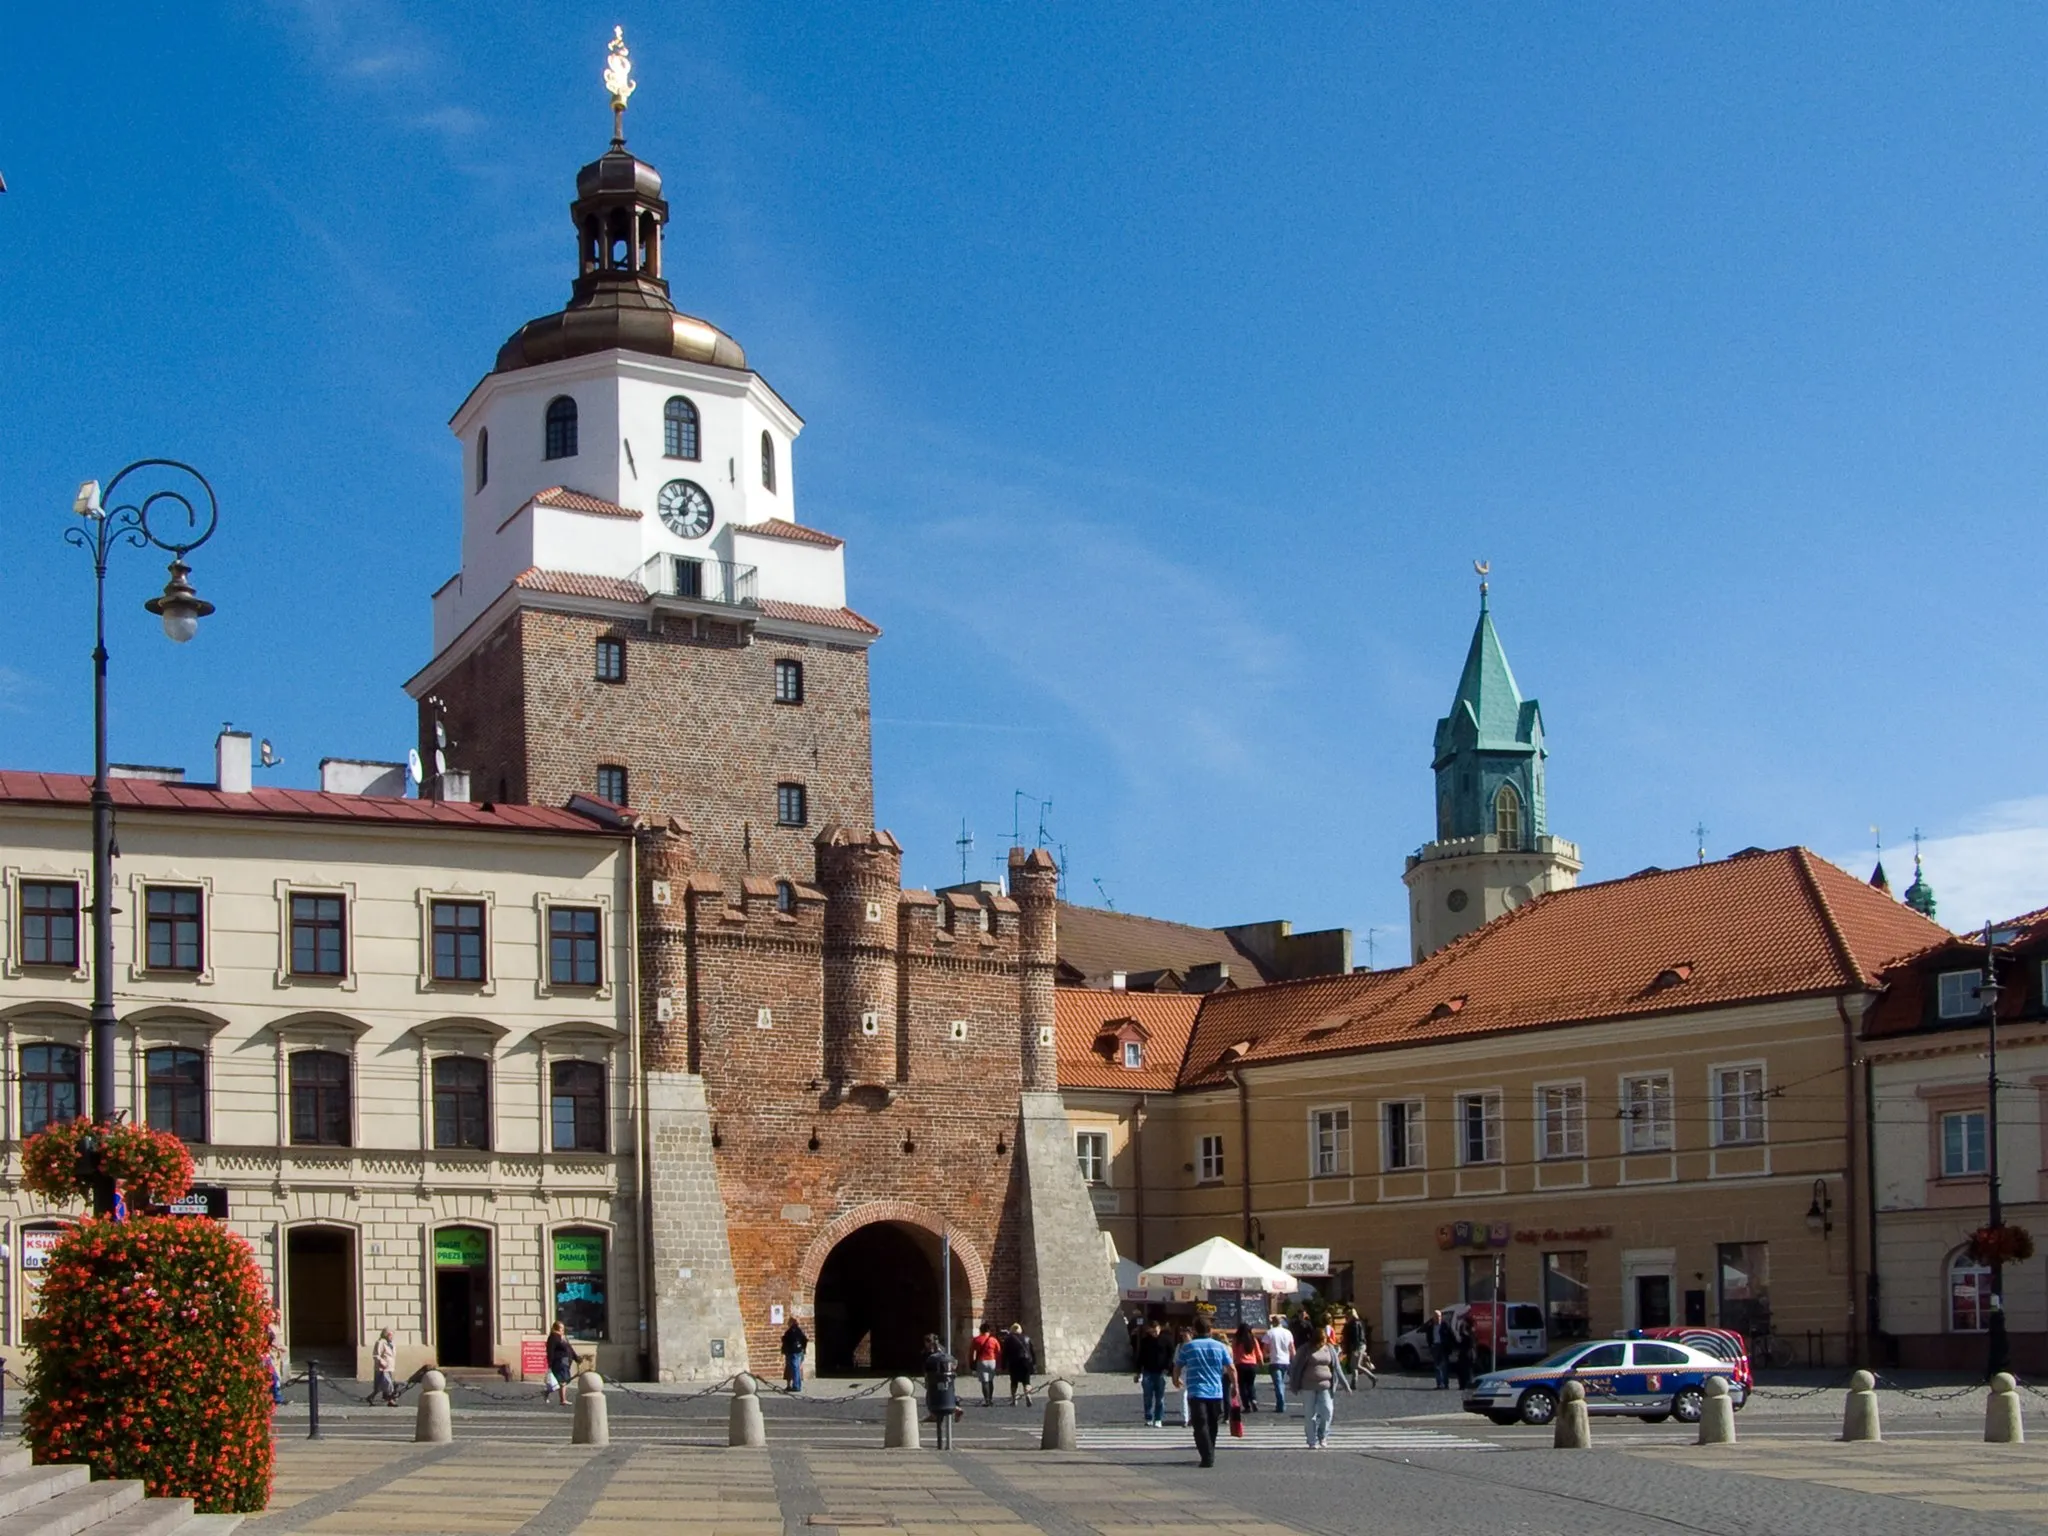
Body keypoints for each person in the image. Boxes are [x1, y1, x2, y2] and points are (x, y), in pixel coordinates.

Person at [1173, 1316, 1234, 1468]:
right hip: (1216, 1391)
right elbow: (1231, 1368)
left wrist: (1176, 1379)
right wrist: (1235, 1386)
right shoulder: (1220, 1347)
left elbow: (1178, 1365)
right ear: (1210, 1330)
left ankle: (1207, 1455)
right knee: (1213, 1424)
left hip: (1196, 1391)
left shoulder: (1188, 1347)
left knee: (1200, 1424)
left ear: (1194, 1330)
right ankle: (1209, 1451)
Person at [1292, 1327, 1343, 1449]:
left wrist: (1345, 1384)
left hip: (1325, 1385)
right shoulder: (1305, 1349)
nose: (1324, 1342)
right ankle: (1311, 1440)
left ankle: (1323, 1434)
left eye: (1325, 1339)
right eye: (1322, 1339)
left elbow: (1337, 1367)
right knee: (1310, 1414)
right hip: (1308, 1386)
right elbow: (1295, 1366)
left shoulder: (1329, 1349)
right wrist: (1293, 1382)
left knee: (1327, 1411)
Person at [1134, 1317, 1174, 1427]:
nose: (1154, 1333)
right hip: (1147, 1371)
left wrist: (1168, 1368)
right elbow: (1140, 1356)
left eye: (1156, 1330)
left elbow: (1171, 1355)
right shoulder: (1145, 1341)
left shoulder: (1166, 1339)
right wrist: (1138, 1371)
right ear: (1149, 1330)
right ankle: (1148, 1418)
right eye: (1152, 1331)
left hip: (1161, 1371)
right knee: (1147, 1396)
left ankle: (1158, 1418)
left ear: (1159, 1328)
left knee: (1160, 1397)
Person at [922, 1333, 963, 1425]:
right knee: (946, 1394)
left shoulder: (931, 1352)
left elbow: (928, 1367)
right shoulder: (944, 1349)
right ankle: (955, 1410)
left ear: (928, 1342)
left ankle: (935, 1415)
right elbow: (954, 1361)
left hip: (935, 1377)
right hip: (947, 1377)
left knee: (932, 1396)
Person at [1261, 1314, 1294, 1414]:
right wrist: (1294, 1358)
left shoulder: (1270, 1333)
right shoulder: (1288, 1333)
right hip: (1286, 1361)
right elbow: (1291, 1347)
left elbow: (1265, 1347)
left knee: (1278, 1383)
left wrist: (1266, 1355)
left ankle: (1281, 1403)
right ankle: (1281, 1402)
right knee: (1281, 1382)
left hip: (1275, 1360)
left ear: (1272, 1322)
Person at [1230, 1321, 1264, 1413]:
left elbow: (1233, 1352)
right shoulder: (1253, 1339)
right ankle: (1253, 1399)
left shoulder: (1237, 1340)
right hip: (1252, 1364)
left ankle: (1247, 1406)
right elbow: (1258, 1352)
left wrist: (1232, 1362)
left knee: (1242, 1386)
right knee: (1251, 1384)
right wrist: (1261, 1362)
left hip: (1240, 1365)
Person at [542, 1321, 578, 1405]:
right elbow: (550, 1351)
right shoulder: (553, 1337)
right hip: (558, 1361)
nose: (563, 1330)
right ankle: (563, 1400)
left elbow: (569, 1349)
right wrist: (550, 1363)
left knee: (560, 1380)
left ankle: (546, 1392)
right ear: (556, 1328)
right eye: (561, 1328)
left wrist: (576, 1358)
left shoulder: (563, 1337)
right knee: (563, 1380)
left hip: (566, 1361)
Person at [970, 1322, 1004, 1406]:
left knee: (984, 1382)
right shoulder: (994, 1340)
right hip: (992, 1361)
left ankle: (987, 1400)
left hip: (982, 1361)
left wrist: (971, 1363)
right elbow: (999, 1352)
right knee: (990, 1381)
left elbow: (971, 1353)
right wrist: (999, 1364)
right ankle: (991, 1399)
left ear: (981, 1330)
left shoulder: (976, 1339)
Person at [1003, 1322, 1036, 1407]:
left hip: (1014, 1362)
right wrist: (1034, 1363)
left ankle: (1014, 1400)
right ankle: (1028, 1395)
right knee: (1026, 1381)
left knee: (1014, 1381)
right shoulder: (1027, 1338)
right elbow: (1032, 1352)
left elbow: (1005, 1353)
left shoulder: (1008, 1339)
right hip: (1026, 1362)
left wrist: (1003, 1364)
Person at [1170, 1324, 1193, 1426]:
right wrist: (1176, 1376)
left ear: (1191, 1335)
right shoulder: (1179, 1347)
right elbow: (1176, 1362)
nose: (1184, 1337)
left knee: (1194, 1396)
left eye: (1186, 1335)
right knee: (1183, 1396)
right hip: (1183, 1373)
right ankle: (1185, 1418)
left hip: (1194, 1373)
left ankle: (1193, 1417)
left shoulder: (1195, 1345)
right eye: (1183, 1336)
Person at [369, 1328, 399, 1406]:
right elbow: (376, 1355)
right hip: (382, 1368)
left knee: (381, 1386)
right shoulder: (380, 1342)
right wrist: (382, 1362)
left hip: (390, 1367)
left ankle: (371, 1398)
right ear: (386, 1335)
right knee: (388, 1384)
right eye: (390, 1335)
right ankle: (391, 1401)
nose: (391, 1336)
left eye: (392, 1335)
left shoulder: (392, 1343)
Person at [780, 1318, 809, 1393]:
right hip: (797, 1351)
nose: (787, 1324)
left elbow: (790, 1340)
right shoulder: (798, 1330)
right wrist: (803, 1348)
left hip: (793, 1352)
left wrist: (784, 1339)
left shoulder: (792, 1331)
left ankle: (796, 1386)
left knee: (795, 1369)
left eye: (788, 1322)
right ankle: (797, 1385)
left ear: (791, 1323)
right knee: (796, 1369)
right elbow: (804, 1340)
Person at [1429, 1309, 1453, 1390]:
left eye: (1439, 1316)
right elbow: (1429, 1336)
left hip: (1443, 1347)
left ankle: (1445, 1384)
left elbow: (1450, 1336)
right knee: (1436, 1366)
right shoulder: (1431, 1326)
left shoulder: (1445, 1325)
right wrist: (1431, 1345)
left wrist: (1449, 1346)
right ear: (1433, 1317)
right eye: (1436, 1316)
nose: (1438, 1318)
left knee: (1444, 1366)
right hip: (1435, 1346)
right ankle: (1439, 1384)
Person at [1454, 1311, 1476, 1391]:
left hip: (1467, 1354)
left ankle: (1468, 1384)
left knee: (1467, 1371)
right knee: (1462, 1370)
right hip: (1464, 1354)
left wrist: (1462, 1333)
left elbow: (1470, 1342)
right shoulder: (1466, 1331)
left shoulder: (1470, 1332)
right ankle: (1463, 1385)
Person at [266, 1329, 286, 1407]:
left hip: (267, 1356)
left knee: (275, 1378)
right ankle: (275, 1397)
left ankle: (277, 1397)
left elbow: (271, 1339)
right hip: (264, 1356)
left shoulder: (268, 1329)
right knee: (274, 1377)